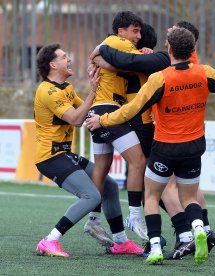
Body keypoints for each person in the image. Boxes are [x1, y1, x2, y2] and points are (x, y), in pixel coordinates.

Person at [85, 27, 215, 265]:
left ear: (169, 49)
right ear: (193, 50)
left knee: (152, 195)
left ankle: (155, 245)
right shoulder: (204, 72)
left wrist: (101, 120)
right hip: (194, 147)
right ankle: (199, 228)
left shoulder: (160, 78)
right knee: (189, 198)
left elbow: (129, 110)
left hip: (165, 148)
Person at [96, 21, 215, 260]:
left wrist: (101, 51)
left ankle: (182, 235)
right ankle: (202, 228)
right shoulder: (192, 65)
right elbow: (132, 64)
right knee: (187, 188)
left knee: (162, 188)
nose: (167, 33)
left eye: (172, 32)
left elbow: (128, 64)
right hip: (192, 133)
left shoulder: (167, 62)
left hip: (165, 133)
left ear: (177, 42)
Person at [34, 44, 141, 257]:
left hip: (63, 153)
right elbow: (76, 119)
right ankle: (49, 240)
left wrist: (104, 110)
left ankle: (120, 242)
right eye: (65, 57)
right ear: (53, 65)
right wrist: (93, 92)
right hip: (50, 157)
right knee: (91, 196)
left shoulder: (67, 88)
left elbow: (89, 112)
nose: (69, 59)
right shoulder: (47, 91)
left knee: (109, 186)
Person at [85, 11, 148, 244]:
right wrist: (145, 57)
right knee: (138, 161)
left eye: (140, 31)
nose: (138, 36)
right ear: (120, 31)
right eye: (135, 30)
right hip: (109, 111)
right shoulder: (117, 42)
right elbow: (139, 65)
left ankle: (92, 218)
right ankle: (134, 215)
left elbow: (123, 63)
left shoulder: (109, 46)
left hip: (97, 110)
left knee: (102, 167)